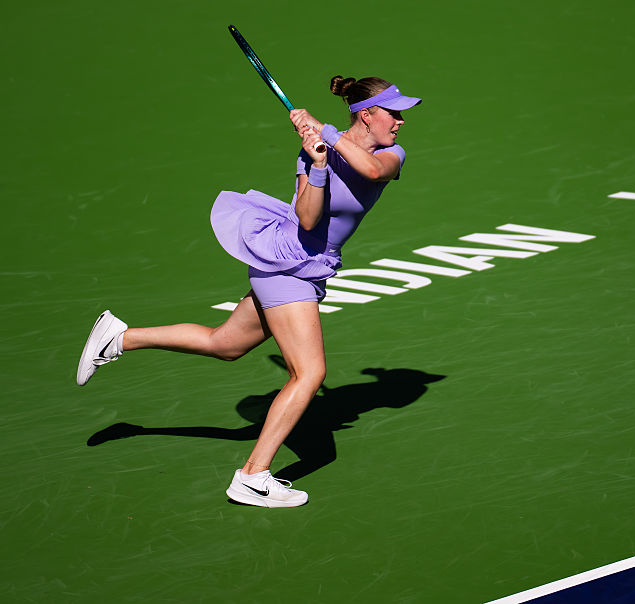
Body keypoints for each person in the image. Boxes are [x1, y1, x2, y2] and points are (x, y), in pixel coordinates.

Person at [76, 75, 422, 508]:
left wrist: (326, 134)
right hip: (288, 263)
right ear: (366, 114)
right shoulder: (315, 150)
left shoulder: (391, 154)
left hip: (304, 266)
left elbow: (371, 170)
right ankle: (253, 476)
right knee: (309, 373)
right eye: (394, 112)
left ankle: (120, 337)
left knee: (225, 344)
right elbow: (308, 219)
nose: (402, 122)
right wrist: (317, 166)